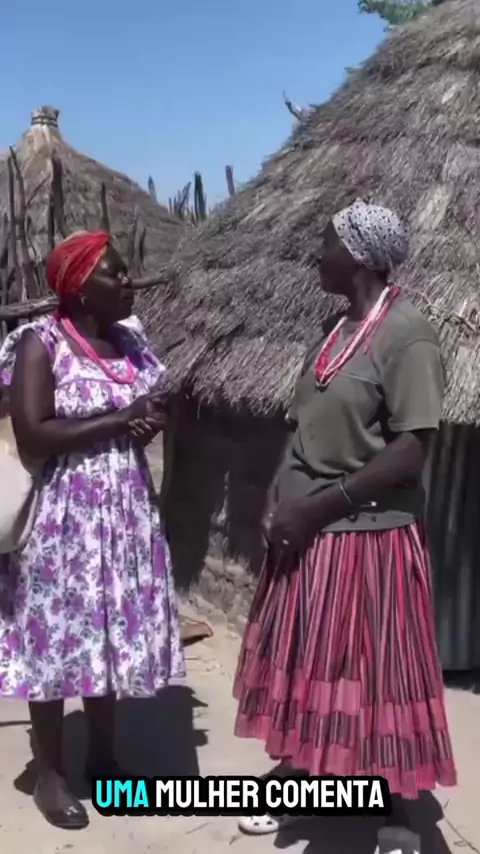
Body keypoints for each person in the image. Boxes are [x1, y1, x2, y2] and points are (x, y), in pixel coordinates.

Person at [233, 200, 456, 849]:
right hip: (308, 536)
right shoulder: (335, 330)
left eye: (327, 242)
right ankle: (301, 781)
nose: (317, 253)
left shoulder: (407, 335)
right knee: (311, 666)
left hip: (369, 539)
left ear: (358, 257)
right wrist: (279, 493)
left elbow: (411, 448)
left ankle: (397, 812)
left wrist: (316, 507)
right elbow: (303, 424)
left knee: (378, 674)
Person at [0, 231, 184, 829]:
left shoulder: (130, 342)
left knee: (109, 633)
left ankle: (104, 761)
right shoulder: (41, 342)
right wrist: (120, 419)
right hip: (62, 518)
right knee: (54, 638)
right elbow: (34, 430)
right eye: (114, 273)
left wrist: (149, 419)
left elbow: (153, 403)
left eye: (125, 271)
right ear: (80, 287)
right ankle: (50, 773)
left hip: (125, 511)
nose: (127, 280)